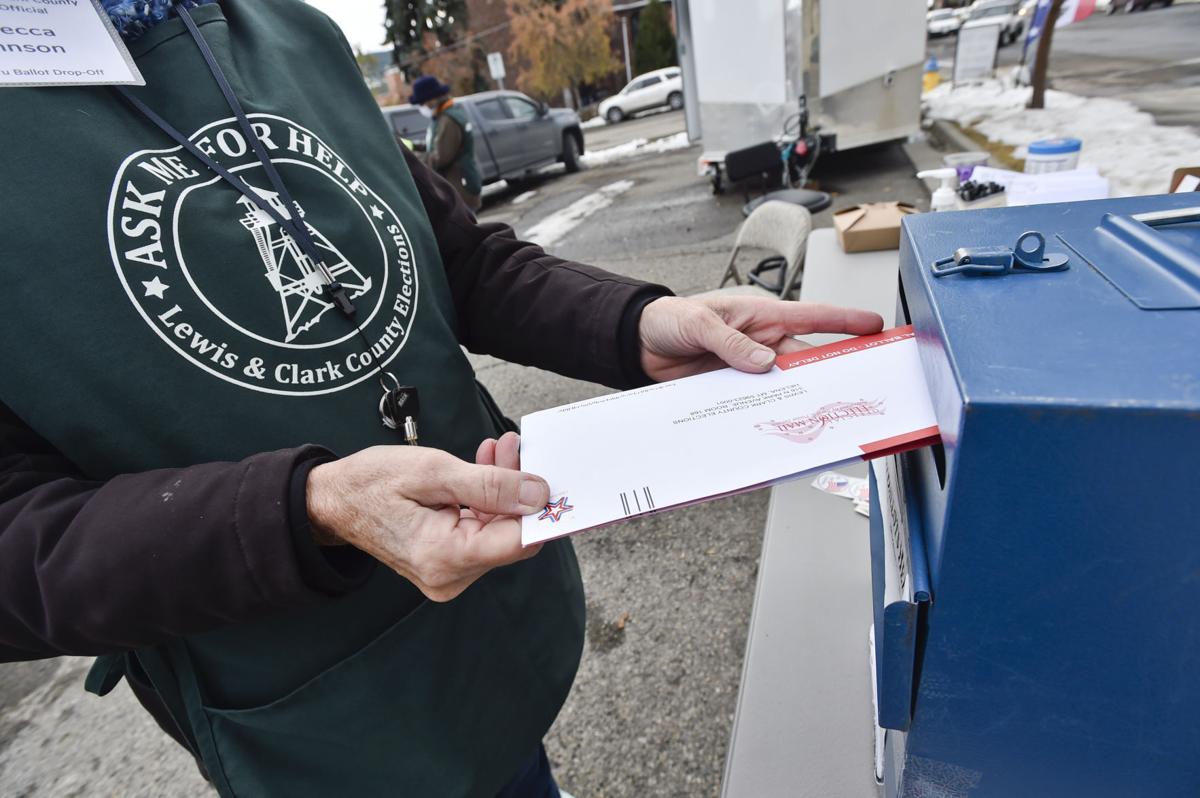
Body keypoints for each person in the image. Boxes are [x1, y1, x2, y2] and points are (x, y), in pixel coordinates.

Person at [0, 1, 883, 796]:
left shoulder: (293, 35)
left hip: (494, 622)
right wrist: (307, 509)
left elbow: (461, 258)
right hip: (317, 713)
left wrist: (636, 321)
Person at [412, 74, 484, 211]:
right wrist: (415, 146)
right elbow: (436, 144)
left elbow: (441, 158)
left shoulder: (448, 121)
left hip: (460, 189)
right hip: (460, 185)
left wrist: (414, 158)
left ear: (432, 99)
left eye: (422, 103)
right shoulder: (444, 116)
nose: (421, 107)